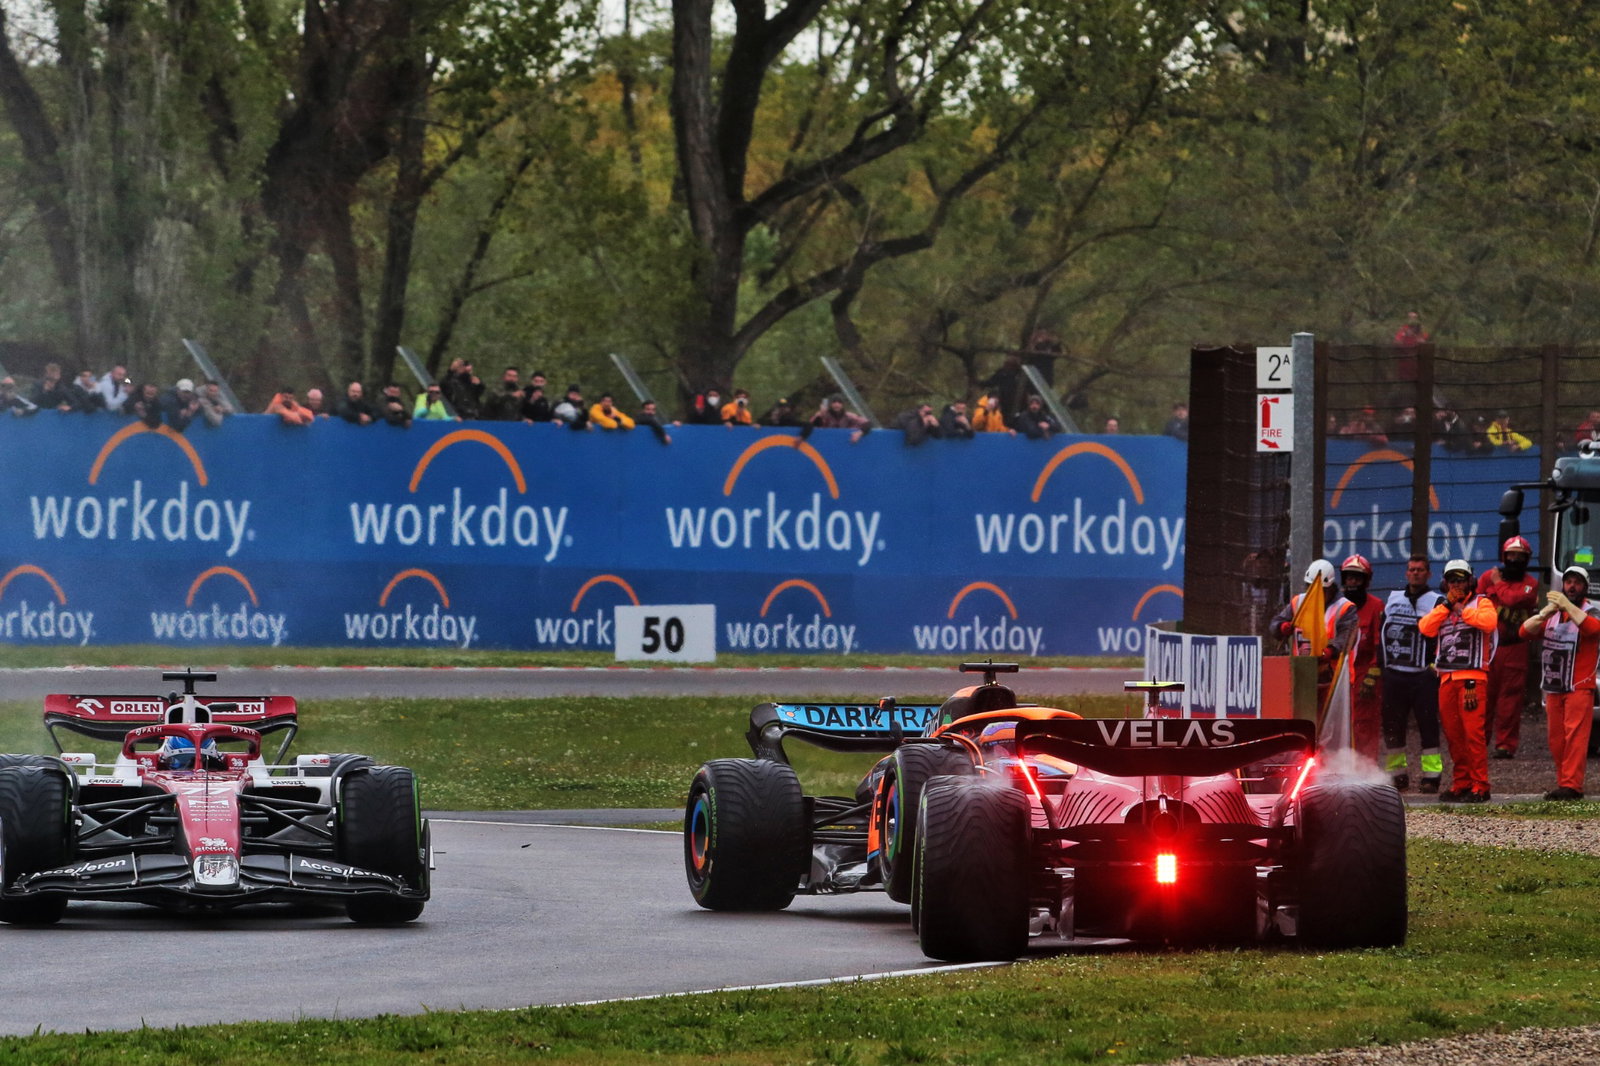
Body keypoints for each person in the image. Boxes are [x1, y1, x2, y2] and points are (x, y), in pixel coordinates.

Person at [1417, 559, 1500, 803]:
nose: (1457, 584)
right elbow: (1425, 627)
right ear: (1445, 582)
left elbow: (1489, 622)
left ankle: (1480, 785)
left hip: (1472, 678)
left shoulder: (1482, 602)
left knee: (1473, 735)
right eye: (1452, 580)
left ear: (1470, 580)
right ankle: (1462, 783)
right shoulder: (1442, 606)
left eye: (1461, 579)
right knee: (1454, 735)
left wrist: (1462, 610)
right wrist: (1447, 606)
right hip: (1446, 678)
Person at [1520, 565, 1600, 800]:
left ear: (1584, 587)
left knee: (1576, 737)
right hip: (1555, 685)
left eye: (1576, 582)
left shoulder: (1590, 610)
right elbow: (1524, 632)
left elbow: (1593, 629)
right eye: (1568, 582)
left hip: (1579, 685)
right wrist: (1544, 613)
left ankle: (1572, 785)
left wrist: (1567, 605)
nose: (1571, 586)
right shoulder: (1554, 614)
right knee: (1556, 739)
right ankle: (1563, 782)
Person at [1380, 555, 1444, 793]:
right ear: (1406, 573)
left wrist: (1433, 666)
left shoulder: (1436, 600)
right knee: (1392, 726)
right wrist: (1381, 667)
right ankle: (1397, 775)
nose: (1415, 573)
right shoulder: (1394, 597)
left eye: (1420, 570)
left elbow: (1442, 636)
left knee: (1428, 725)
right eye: (1411, 570)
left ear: (1428, 574)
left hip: (1421, 676)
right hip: (1395, 674)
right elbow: (1382, 632)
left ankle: (1432, 776)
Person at [1477, 535, 1541, 759]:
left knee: (1510, 701)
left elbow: (1513, 600)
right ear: (1504, 556)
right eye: (1511, 555)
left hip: (1515, 648)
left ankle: (1505, 745)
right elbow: (1476, 601)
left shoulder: (1530, 584)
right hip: (1489, 647)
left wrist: (1497, 584)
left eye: (1520, 556)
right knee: (1484, 698)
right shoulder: (1487, 577)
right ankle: (1479, 741)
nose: (1515, 559)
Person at [1270, 559, 1359, 715]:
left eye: (1320, 591)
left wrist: (1329, 652)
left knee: (1330, 730)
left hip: (1334, 679)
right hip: (1302, 676)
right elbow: (1275, 624)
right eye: (1310, 588)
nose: (1315, 594)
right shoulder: (1298, 602)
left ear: (1331, 588)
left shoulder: (1345, 608)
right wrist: (1282, 627)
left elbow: (1346, 639)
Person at [1339, 554, 1384, 761]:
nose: (1353, 582)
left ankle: (1366, 766)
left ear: (1365, 581)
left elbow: (1379, 643)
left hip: (1364, 674)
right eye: (1349, 578)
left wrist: (1372, 675)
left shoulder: (1376, 607)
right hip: (1338, 673)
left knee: (1365, 722)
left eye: (1357, 578)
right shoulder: (1336, 607)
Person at [978, 354, 1025, 427]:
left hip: (1017, 399)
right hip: (1004, 398)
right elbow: (992, 381)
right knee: (1005, 414)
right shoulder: (1002, 372)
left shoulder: (1020, 374)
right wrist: (981, 384)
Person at [802, 395, 869, 442]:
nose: (837, 405)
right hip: (826, 443)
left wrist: (859, 433)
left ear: (842, 404)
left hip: (844, 443)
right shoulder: (824, 415)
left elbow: (868, 423)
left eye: (839, 402)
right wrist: (821, 414)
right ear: (830, 404)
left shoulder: (849, 416)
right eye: (834, 402)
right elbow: (810, 426)